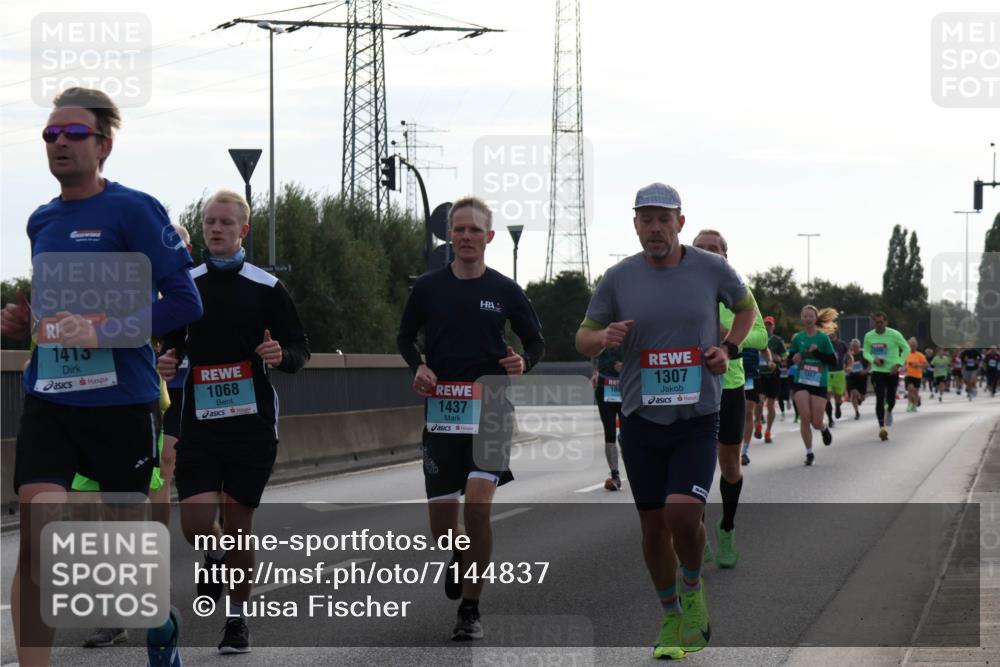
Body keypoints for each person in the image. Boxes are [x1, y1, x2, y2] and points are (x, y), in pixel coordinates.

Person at [2, 87, 202, 667]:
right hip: (52, 395)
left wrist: (107, 329)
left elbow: (185, 302)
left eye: (73, 133)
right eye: (50, 134)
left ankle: (159, 619)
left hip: (122, 402)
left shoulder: (135, 210)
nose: (59, 142)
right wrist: (24, 322)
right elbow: (53, 315)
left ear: (104, 145)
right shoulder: (41, 220)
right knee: (37, 534)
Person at [576, 184, 756, 659]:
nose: (655, 229)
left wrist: (729, 348)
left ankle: (693, 589)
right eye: (646, 220)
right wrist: (602, 338)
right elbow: (582, 337)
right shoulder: (618, 278)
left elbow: (746, 308)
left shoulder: (711, 267)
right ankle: (671, 614)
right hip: (640, 419)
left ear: (680, 221)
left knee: (681, 514)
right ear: (635, 224)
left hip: (698, 415)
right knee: (653, 528)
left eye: (664, 219)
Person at [158, 189, 311, 654]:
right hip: (200, 423)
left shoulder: (266, 287)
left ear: (243, 230)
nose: (216, 229)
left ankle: (237, 621)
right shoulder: (188, 284)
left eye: (225, 222)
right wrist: (169, 358)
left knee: (240, 523)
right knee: (195, 521)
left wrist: (279, 354)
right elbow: (173, 343)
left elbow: (299, 349)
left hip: (252, 425)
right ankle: (216, 553)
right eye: (209, 222)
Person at [397, 196, 545, 641]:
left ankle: (470, 608)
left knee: (478, 507)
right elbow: (405, 337)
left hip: (492, 408)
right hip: (443, 412)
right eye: (458, 229)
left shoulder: (504, 290)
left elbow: (535, 342)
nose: (465, 237)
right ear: (450, 235)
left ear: (489, 237)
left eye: (474, 230)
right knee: (444, 532)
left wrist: (524, 363)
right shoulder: (427, 288)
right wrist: (418, 366)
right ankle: (460, 556)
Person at [691, 229, 766, 570]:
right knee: (693, 464)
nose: (707, 253)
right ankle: (697, 530)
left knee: (730, 465)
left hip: (730, 386)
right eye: (700, 248)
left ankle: (727, 527)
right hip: (687, 387)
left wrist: (730, 338)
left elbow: (762, 335)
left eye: (714, 249)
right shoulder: (679, 290)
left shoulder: (737, 293)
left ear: (725, 256)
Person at [787, 306, 838, 465]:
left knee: (816, 422)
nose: (808, 319)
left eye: (811, 316)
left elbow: (833, 361)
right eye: (805, 316)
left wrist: (817, 353)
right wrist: (792, 359)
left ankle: (823, 428)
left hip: (818, 382)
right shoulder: (797, 338)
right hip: (801, 381)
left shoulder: (823, 338)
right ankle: (809, 453)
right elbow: (789, 359)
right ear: (802, 319)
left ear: (815, 319)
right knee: (805, 417)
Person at [861, 312, 909, 441]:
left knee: (891, 399)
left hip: (892, 371)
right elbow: (865, 351)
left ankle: (889, 410)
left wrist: (898, 364)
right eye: (876, 323)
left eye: (881, 322)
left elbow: (906, 349)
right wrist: (873, 359)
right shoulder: (869, 336)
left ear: (886, 322)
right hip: (877, 371)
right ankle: (882, 427)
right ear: (873, 323)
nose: (879, 325)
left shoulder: (894, 334)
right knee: (880, 398)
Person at [592, 346, 624, 489]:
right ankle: (615, 475)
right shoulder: (603, 326)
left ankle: (636, 470)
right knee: (609, 431)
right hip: (605, 386)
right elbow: (593, 351)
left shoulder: (633, 326)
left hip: (628, 385)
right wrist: (594, 372)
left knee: (628, 432)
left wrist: (628, 366)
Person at [758, 316, 784, 442]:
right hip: (759, 374)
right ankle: (758, 422)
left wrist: (776, 357)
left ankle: (768, 430)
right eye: (766, 324)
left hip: (773, 375)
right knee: (759, 400)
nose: (768, 326)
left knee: (771, 404)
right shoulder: (757, 337)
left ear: (773, 326)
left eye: (770, 324)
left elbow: (785, 357)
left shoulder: (777, 340)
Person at [824, 329, 849, 428]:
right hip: (827, 372)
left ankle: (838, 406)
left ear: (836, 333)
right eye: (828, 332)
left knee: (838, 397)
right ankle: (830, 419)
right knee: (827, 397)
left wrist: (849, 365)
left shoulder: (842, 344)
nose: (830, 334)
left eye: (832, 332)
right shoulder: (824, 344)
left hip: (839, 373)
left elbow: (849, 356)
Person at [845, 338, 870, 419]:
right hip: (852, 377)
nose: (855, 348)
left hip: (862, 377)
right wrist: (847, 369)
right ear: (851, 346)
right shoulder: (848, 355)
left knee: (862, 397)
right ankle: (856, 412)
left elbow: (870, 363)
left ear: (859, 346)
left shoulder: (864, 353)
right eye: (853, 346)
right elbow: (844, 366)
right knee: (853, 394)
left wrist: (866, 371)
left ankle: (860, 398)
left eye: (856, 346)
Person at [903, 338, 928, 412]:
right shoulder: (906, 354)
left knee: (915, 392)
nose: (912, 346)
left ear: (916, 346)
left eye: (913, 345)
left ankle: (915, 404)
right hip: (908, 375)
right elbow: (903, 363)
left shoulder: (920, 355)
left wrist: (918, 365)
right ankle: (909, 405)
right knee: (910, 389)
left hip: (917, 376)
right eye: (910, 345)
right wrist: (903, 367)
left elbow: (926, 365)